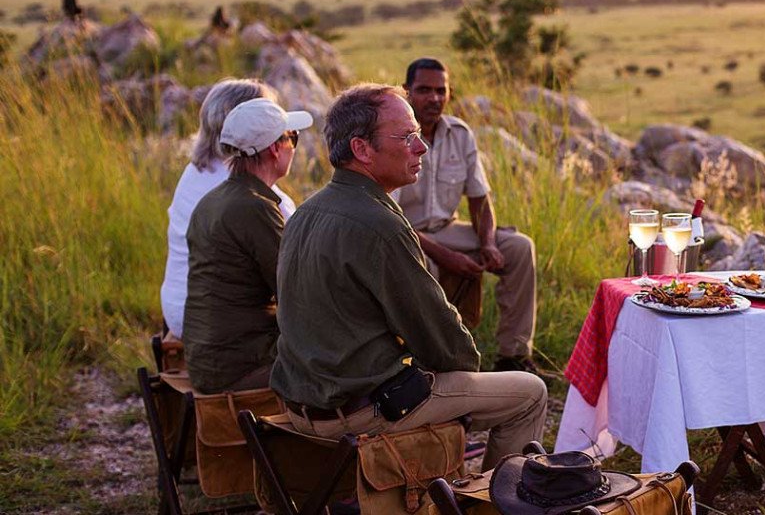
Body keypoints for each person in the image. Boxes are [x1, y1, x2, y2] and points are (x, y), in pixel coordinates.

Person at [270, 84, 546, 470]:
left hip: (304, 406)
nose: (422, 147)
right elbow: (444, 343)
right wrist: (468, 366)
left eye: (417, 134)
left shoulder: (305, 212)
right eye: (406, 137)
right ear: (361, 149)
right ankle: (495, 498)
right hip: (363, 412)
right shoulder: (379, 223)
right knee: (530, 393)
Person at [393, 57, 538, 372]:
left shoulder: (460, 134)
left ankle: (513, 356)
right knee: (425, 264)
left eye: (440, 90)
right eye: (424, 90)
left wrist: (488, 243)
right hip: (406, 235)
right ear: (407, 92)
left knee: (519, 247)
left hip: (447, 229)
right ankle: (431, 364)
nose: (434, 98)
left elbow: (480, 199)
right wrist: (447, 256)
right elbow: (391, 217)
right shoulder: (396, 137)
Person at [183, 98, 313, 394]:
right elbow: (297, 293)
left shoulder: (211, 201)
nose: (294, 147)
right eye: (292, 138)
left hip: (209, 361)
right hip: (242, 365)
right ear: (274, 148)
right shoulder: (255, 208)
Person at [159, 80, 296, 339]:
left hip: (177, 307)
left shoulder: (195, 172)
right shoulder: (248, 191)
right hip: (214, 323)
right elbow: (292, 266)